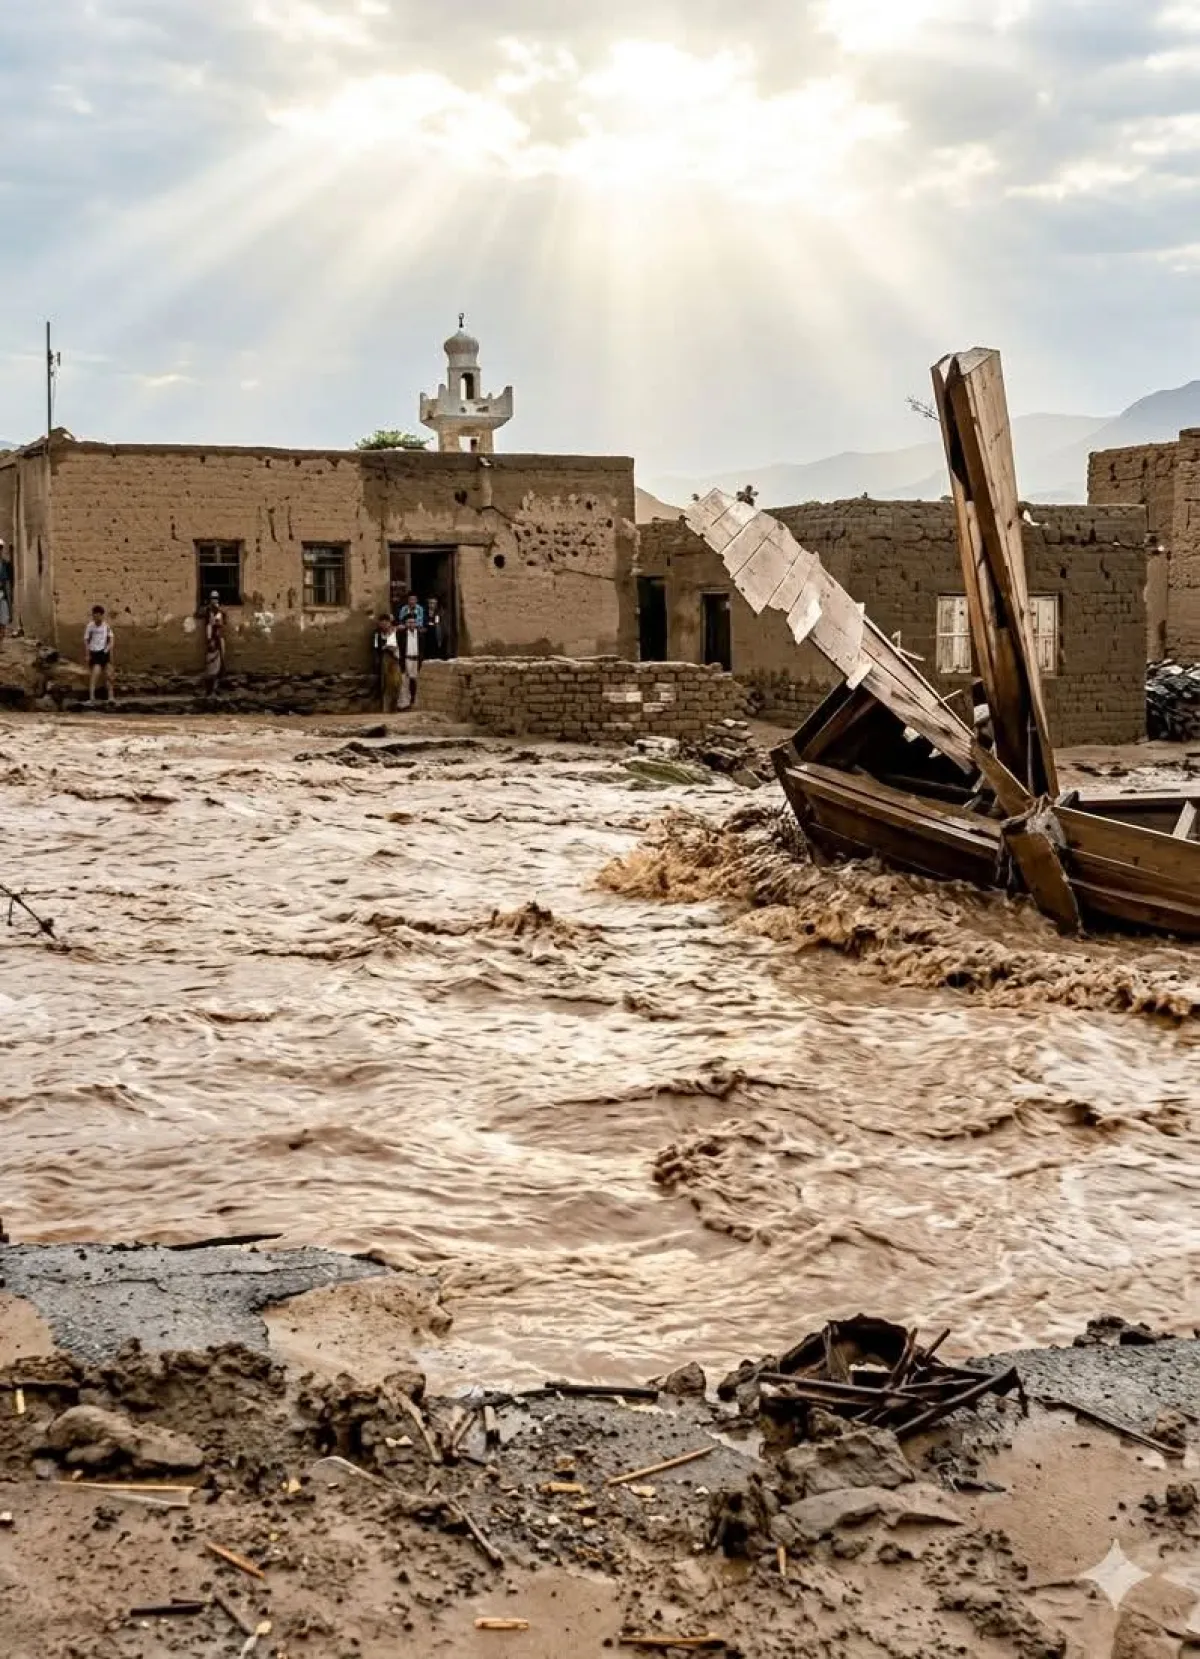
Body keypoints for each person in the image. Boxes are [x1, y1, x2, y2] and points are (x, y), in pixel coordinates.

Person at [84, 604, 116, 705]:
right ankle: (92, 698)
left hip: (104, 652)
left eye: (98, 615)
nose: (96, 618)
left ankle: (111, 697)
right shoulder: (90, 626)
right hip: (95, 652)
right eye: (94, 615)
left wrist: (108, 649)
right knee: (95, 675)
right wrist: (87, 654)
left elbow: (111, 639)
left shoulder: (106, 626)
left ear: (102, 616)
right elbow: (86, 640)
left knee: (109, 675)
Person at [203, 593, 226, 698]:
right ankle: (210, 690)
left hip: (219, 639)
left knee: (220, 664)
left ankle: (216, 688)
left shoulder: (220, 611)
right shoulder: (209, 611)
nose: (215, 600)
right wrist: (209, 640)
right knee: (211, 665)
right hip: (213, 640)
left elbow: (222, 623)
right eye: (213, 598)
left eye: (216, 598)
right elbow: (209, 625)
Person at [399, 609, 422, 709]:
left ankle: (414, 700)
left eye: (413, 622)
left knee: (415, 680)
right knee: (405, 681)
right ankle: (405, 703)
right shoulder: (401, 634)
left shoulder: (420, 634)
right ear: (405, 623)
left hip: (416, 659)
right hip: (406, 659)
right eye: (409, 622)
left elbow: (423, 648)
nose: (411, 624)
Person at [425, 596, 448, 660]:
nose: (432, 605)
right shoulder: (425, 612)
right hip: (427, 636)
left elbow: (440, 625)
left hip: (436, 635)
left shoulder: (439, 613)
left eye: (434, 603)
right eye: (430, 603)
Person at [0, 540, 12, 640]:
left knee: (3, 621)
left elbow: (9, 580)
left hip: (2, 595)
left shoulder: (5, 564)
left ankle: (1, 644)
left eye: (0, 548)